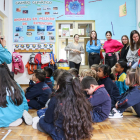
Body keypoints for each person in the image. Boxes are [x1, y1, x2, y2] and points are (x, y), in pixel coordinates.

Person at [37, 72, 93, 139]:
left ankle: (41, 115)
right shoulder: (81, 97)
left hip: (62, 135)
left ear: (59, 85)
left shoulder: (56, 98)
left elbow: (48, 120)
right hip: (79, 132)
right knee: (45, 113)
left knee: (41, 121)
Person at [0, 63, 32, 127]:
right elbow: (24, 101)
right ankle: (15, 119)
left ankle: (8, 122)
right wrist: (25, 110)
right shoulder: (16, 85)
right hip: (17, 114)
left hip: (3, 118)